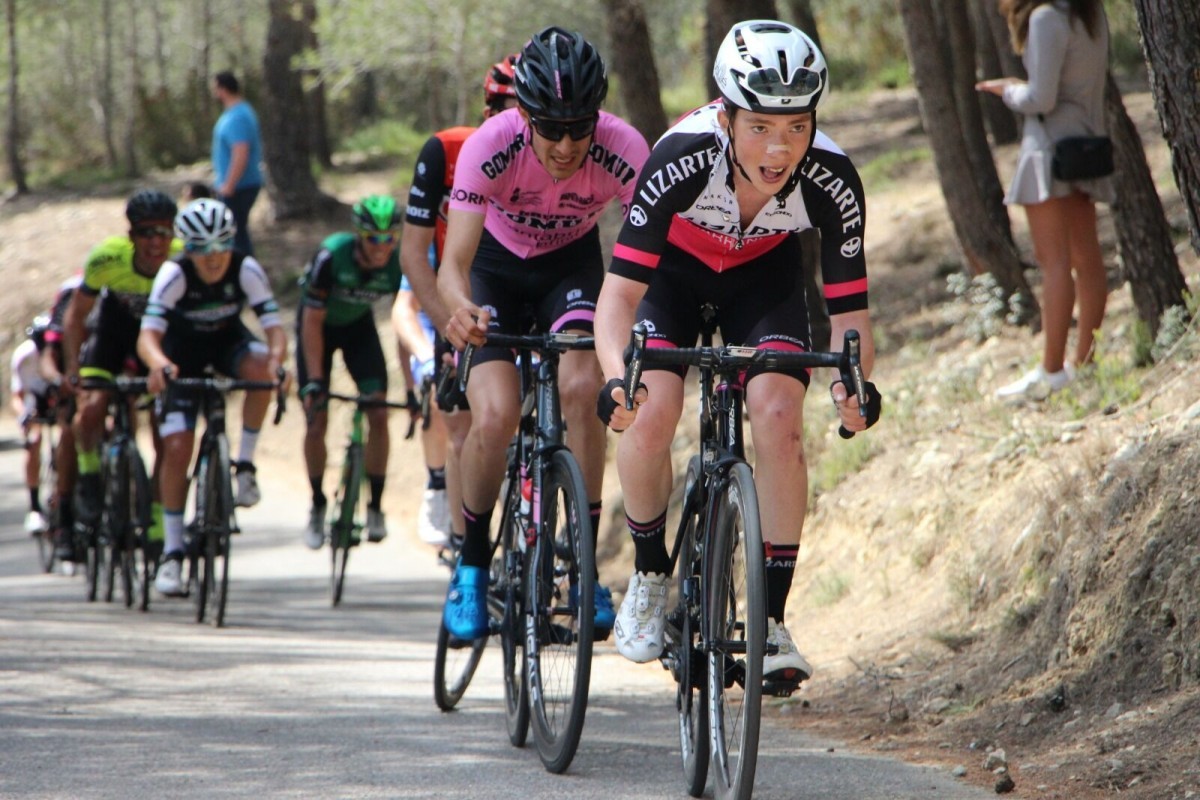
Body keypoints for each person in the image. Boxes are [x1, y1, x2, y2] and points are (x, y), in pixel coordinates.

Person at [593, 20, 880, 684]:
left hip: (764, 281)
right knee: (652, 407)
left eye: (797, 127)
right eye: (760, 128)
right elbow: (616, 302)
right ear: (725, 115)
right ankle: (646, 574)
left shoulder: (833, 178)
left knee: (780, 417)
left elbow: (851, 323)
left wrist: (853, 389)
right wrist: (617, 378)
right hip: (673, 279)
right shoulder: (680, 156)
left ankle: (772, 622)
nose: (780, 149)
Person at [437, 27, 650, 640]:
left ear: (597, 117)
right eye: (549, 127)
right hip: (494, 272)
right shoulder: (491, 145)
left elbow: (655, 252)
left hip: (570, 268)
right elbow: (454, 264)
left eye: (578, 127)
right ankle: (473, 565)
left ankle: (583, 565)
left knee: (586, 386)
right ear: (524, 115)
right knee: (497, 413)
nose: (564, 144)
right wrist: (457, 309)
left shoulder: (624, 147)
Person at [394, 54, 520, 548]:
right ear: (488, 111)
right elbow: (412, 259)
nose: (520, 122)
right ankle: (465, 540)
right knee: (465, 422)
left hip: (513, 288)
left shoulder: (553, 155)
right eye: (508, 109)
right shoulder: (446, 150)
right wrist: (449, 328)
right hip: (458, 288)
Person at [137, 198, 289, 596]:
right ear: (187, 248)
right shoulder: (174, 274)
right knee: (177, 446)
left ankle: (244, 466)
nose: (213, 257)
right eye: (202, 248)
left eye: (221, 245)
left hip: (227, 345)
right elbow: (148, 336)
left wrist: (276, 362)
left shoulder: (245, 267)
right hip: (181, 356)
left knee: (261, 371)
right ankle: (171, 552)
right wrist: (158, 364)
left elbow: (273, 327)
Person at [977, 0, 1112, 400]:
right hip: (1085, 144)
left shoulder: (1046, 17)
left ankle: (1051, 371)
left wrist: (1009, 90)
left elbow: (1041, 98)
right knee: (1087, 261)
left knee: (1054, 263)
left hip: (1049, 151)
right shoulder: (1089, 13)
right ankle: (1085, 363)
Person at [63, 189, 182, 561]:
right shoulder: (107, 258)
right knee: (93, 407)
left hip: (158, 342)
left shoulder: (183, 259)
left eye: (164, 232)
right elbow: (75, 317)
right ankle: (89, 473)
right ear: (131, 236)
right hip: (112, 337)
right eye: (147, 232)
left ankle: (159, 526)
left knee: (169, 434)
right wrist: (72, 369)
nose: (156, 242)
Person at [297, 196, 404, 549]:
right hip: (319, 330)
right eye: (375, 239)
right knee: (316, 420)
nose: (383, 246)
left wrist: (413, 384)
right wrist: (314, 381)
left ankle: (375, 506)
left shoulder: (396, 265)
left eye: (390, 238)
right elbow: (311, 322)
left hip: (359, 328)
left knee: (379, 413)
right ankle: (316, 503)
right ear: (359, 236)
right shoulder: (332, 256)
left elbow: (403, 323)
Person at [10, 316, 55, 536]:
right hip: (34, 401)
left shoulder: (58, 348)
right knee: (34, 440)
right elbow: (17, 395)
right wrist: (24, 415)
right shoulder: (23, 355)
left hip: (56, 396)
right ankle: (35, 507)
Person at [212, 70, 264, 257]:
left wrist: (228, 185)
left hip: (239, 187)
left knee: (235, 235)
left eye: (215, 87)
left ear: (223, 89)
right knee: (235, 233)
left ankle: (245, 276)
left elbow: (240, 152)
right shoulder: (235, 113)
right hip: (237, 186)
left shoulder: (238, 116)